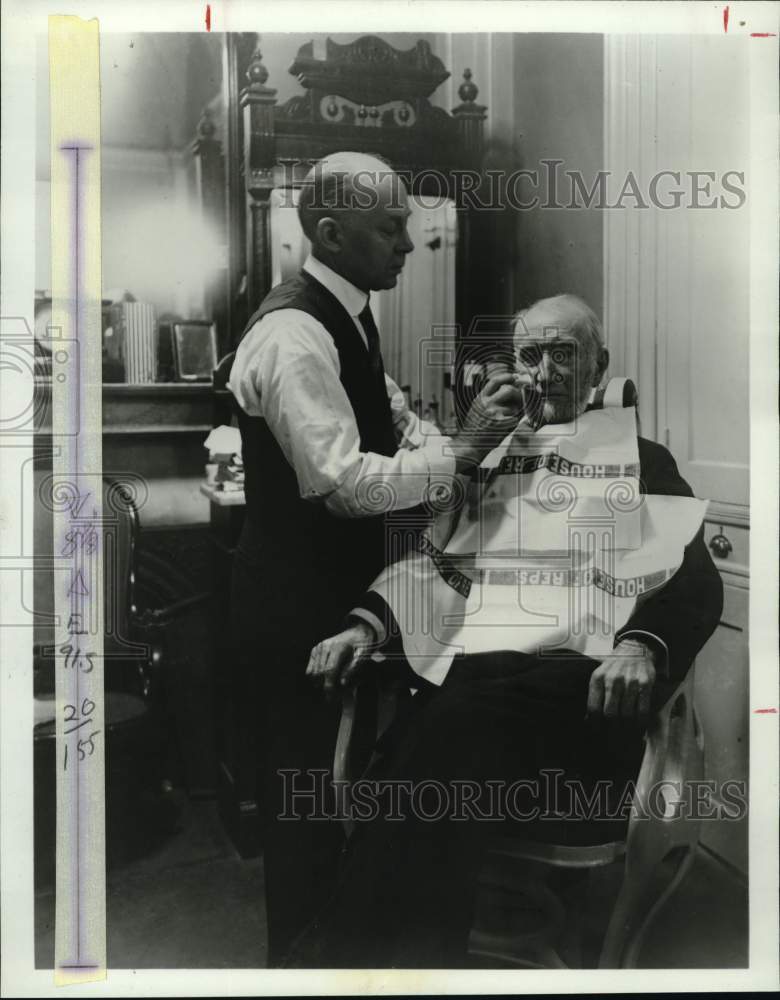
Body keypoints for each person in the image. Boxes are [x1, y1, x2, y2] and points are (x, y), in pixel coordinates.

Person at [295, 293, 724, 968]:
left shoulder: (643, 459)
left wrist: (640, 645)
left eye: (564, 354)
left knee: (441, 729)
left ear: (599, 364)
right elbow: (433, 566)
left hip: (576, 689)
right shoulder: (492, 462)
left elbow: (693, 579)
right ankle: (383, 959)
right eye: (530, 355)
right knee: (434, 730)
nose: (545, 371)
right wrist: (366, 625)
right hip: (481, 688)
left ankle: (363, 961)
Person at [228, 151, 525, 964]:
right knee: (303, 819)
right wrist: (460, 458)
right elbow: (343, 483)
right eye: (390, 227)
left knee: (340, 802)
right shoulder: (293, 333)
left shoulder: (349, 315)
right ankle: (296, 971)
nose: (409, 241)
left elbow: (389, 419)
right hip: (291, 607)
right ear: (330, 231)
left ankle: (338, 960)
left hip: (332, 597)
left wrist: (468, 441)